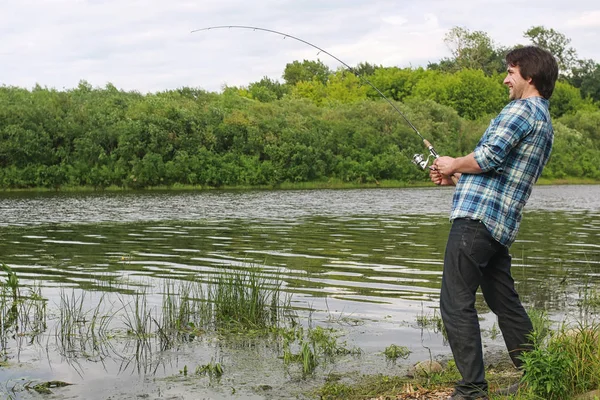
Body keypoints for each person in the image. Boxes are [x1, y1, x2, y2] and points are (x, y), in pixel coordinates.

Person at [429, 46, 559, 400]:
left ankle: (472, 390)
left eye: (511, 72)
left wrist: (453, 162)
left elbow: (489, 156)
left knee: (455, 303)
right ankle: (538, 376)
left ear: (529, 77)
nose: (505, 79)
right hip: (498, 226)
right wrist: (455, 177)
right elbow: (502, 175)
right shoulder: (544, 121)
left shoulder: (520, 109)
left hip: (477, 223)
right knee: (506, 303)